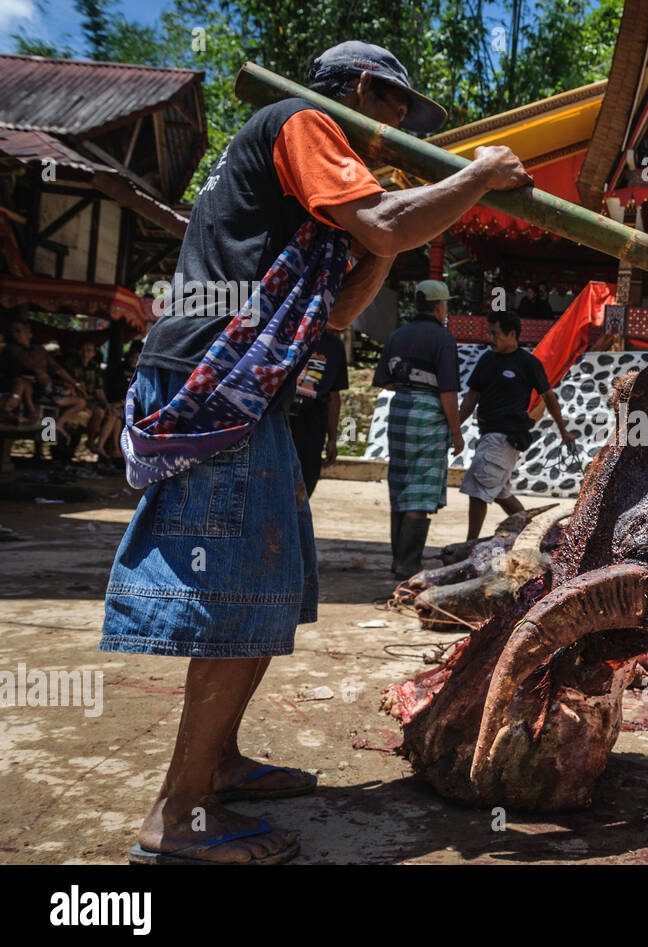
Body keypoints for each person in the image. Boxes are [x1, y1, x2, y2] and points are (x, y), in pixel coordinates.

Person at [99, 40, 531, 865]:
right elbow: (379, 221)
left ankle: (216, 764)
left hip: (244, 388)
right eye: (395, 114)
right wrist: (473, 177)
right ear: (366, 91)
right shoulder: (305, 119)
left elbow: (338, 311)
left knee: (267, 588)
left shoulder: (309, 181)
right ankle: (176, 814)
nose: (393, 135)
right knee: (235, 597)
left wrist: (388, 238)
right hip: (216, 375)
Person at [374, 279, 463, 577]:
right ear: (439, 306)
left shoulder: (398, 335)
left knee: (400, 483)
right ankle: (408, 563)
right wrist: (456, 432)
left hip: (400, 410)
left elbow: (384, 380)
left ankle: (398, 559)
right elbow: (448, 392)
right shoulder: (443, 339)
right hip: (428, 413)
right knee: (420, 488)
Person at [459, 309, 573, 540]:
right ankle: (542, 536)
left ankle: (469, 545)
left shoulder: (527, 362)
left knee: (478, 492)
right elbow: (472, 396)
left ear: (512, 334)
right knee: (501, 494)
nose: (490, 339)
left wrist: (563, 431)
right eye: (489, 333)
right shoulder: (487, 359)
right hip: (489, 435)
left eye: (495, 334)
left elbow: (549, 397)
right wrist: (454, 428)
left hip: (505, 437)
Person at [287, 327, 348, 497]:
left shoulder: (334, 345)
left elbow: (334, 396)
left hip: (313, 421)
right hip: (283, 416)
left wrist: (333, 438)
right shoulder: (286, 334)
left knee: (307, 481)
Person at [65, 339, 119, 470]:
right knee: (99, 412)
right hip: (76, 399)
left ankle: (99, 445)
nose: (85, 353)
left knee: (113, 414)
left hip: (91, 400)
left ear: (94, 353)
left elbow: (99, 389)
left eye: (89, 350)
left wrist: (106, 404)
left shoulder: (95, 367)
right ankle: (90, 441)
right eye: (83, 350)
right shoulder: (71, 365)